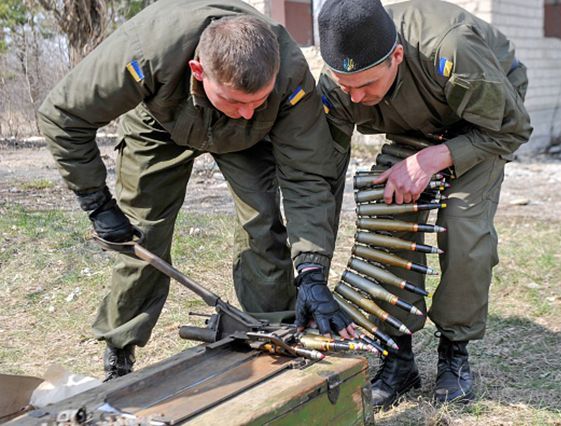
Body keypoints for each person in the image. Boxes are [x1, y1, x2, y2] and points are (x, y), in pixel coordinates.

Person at [38, 0, 355, 382]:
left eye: (258, 101)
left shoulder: (287, 76)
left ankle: (275, 333)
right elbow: (62, 114)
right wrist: (96, 201)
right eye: (238, 101)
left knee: (263, 222)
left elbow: (307, 176)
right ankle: (119, 347)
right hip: (162, 115)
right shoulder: (147, 49)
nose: (248, 110)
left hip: (247, 140)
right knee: (142, 231)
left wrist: (312, 272)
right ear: (198, 71)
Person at [318, 0, 533, 407]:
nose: (358, 99)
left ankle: (454, 351)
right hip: (413, 115)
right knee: (387, 216)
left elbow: (511, 127)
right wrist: (313, 267)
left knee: (463, 225)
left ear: (396, 55)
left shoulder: (452, 50)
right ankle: (398, 356)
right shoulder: (340, 85)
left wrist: (434, 157)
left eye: (367, 86)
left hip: (483, 119)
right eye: (348, 88)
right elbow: (323, 173)